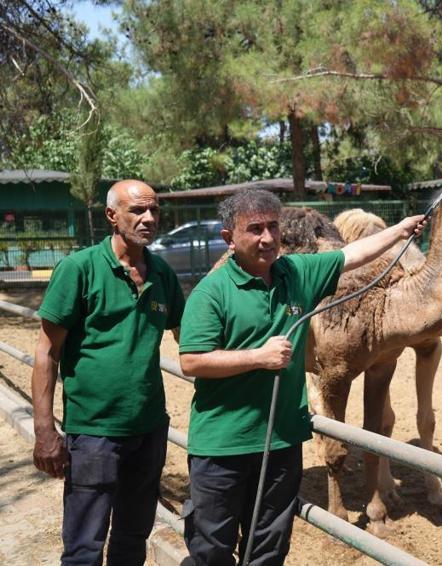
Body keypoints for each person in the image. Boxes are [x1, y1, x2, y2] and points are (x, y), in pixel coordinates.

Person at [179, 188, 426, 565]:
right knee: (212, 550)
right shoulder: (211, 293)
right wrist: (258, 358)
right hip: (222, 448)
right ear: (229, 238)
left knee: (268, 550)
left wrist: (401, 229)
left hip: (281, 445)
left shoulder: (295, 273)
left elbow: (352, 254)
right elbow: (192, 361)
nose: (266, 238)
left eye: (272, 228)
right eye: (255, 229)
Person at [31, 180, 185, 566]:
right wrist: (45, 430)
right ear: (112, 216)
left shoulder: (162, 274)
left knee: (133, 538)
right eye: (138, 211)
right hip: (95, 432)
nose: (149, 218)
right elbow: (47, 352)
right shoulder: (79, 270)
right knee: (84, 546)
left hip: (148, 428)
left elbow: (191, 340)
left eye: (154, 211)